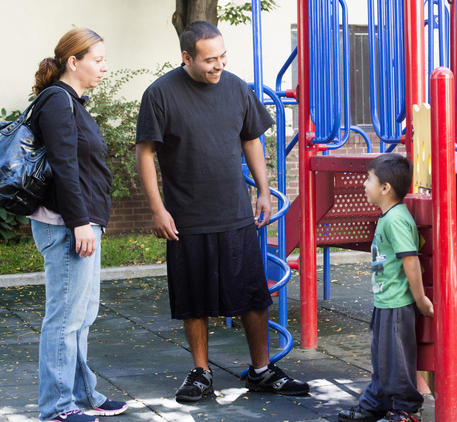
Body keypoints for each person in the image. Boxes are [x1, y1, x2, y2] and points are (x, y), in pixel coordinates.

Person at [135, 21, 310, 402]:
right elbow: (145, 152)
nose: (219, 65)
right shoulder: (160, 94)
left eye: (223, 55)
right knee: (193, 299)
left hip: (235, 212)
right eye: (209, 59)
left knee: (252, 294)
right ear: (187, 57)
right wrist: (157, 209)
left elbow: (251, 139)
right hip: (186, 217)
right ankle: (201, 373)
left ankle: (262, 371)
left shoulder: (236, 88)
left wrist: (263, 190)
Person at [29, 28, 128, 422]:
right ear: (75, 62)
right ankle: (56, 408)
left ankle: (84, 394)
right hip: (68, 225)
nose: (105, 67)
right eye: (98, 59)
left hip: (82, 223)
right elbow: (65, 167)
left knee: (82, 315)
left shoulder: (73, 102)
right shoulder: (57, 101)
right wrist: (80, 222)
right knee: (65, 318)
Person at [338, 153, 434, 422]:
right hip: (384, 302)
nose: (364, 185)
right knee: (382, 358)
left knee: (396, 360)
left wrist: (420, 299)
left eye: (368, 179)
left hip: (398, 305)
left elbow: (411, 261)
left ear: (385, 188)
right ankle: (376, 402)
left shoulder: (396, 219)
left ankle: (405, 408)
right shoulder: (387, 216)